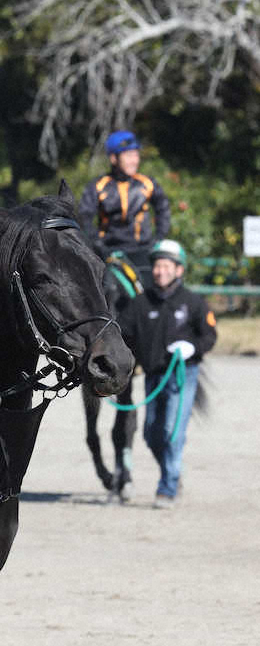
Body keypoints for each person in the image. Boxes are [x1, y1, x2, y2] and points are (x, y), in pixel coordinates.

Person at [117, 239, 217, 509]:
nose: (160, 271)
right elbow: (121, 333)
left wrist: (192, 348)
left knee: (172, 432)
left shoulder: (194, 303)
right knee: (151, 434)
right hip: (153, 377)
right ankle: (173, 472)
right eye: (157, 266)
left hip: (184, 375)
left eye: (166, 266)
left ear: (178, 270)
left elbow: (209, 335)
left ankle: (167, 488)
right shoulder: (140, 304)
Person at [79, 129, 171, 286]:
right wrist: (97, 242)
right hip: (109, 251)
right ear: (114, 158)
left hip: (142, 251)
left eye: (136, 155)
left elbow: (163, 208)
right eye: (128, 155)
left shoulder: (147, 183)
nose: (134, 160)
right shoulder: (98, 186)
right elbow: (84, 216)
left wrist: (159, 237)